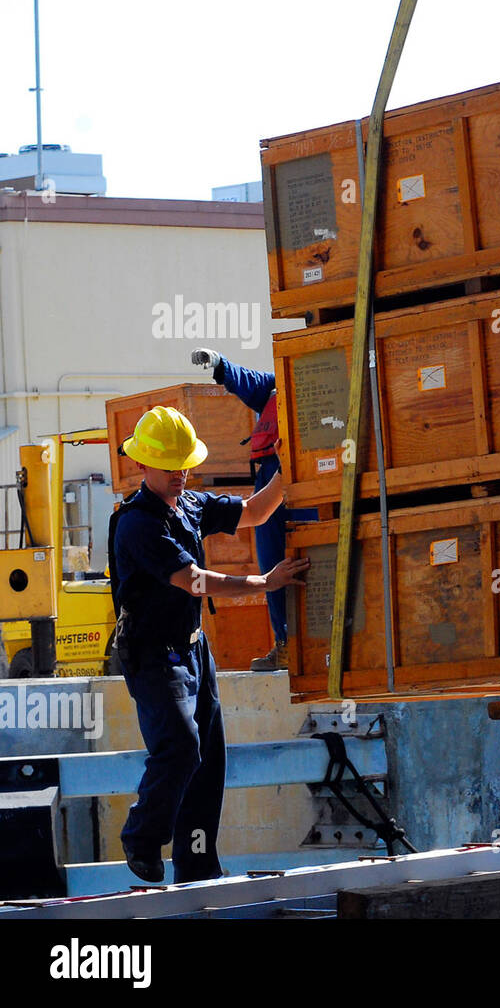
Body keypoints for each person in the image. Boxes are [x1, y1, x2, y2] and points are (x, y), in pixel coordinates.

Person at [109, 406, 309, 883]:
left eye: (183, 466)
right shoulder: (138, 524)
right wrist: (264, 582)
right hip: (154, 657)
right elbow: (193, 581)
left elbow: (257, 511)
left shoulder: (191, 504)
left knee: (207, 760)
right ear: (142, 466)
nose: (180, 476)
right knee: (179, 747)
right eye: (169, 468)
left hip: (194, 649)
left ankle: (198, 868)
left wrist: (289, 464)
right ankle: (141, 837)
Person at [190, 347, 311, 671]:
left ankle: (318, 646)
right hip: (272, 481)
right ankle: (285, 644)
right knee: (273, 564)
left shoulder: (331, 385)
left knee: (313, 562)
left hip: (312, 483)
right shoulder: (275, 387)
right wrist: (219, 364)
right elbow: (248, 380)